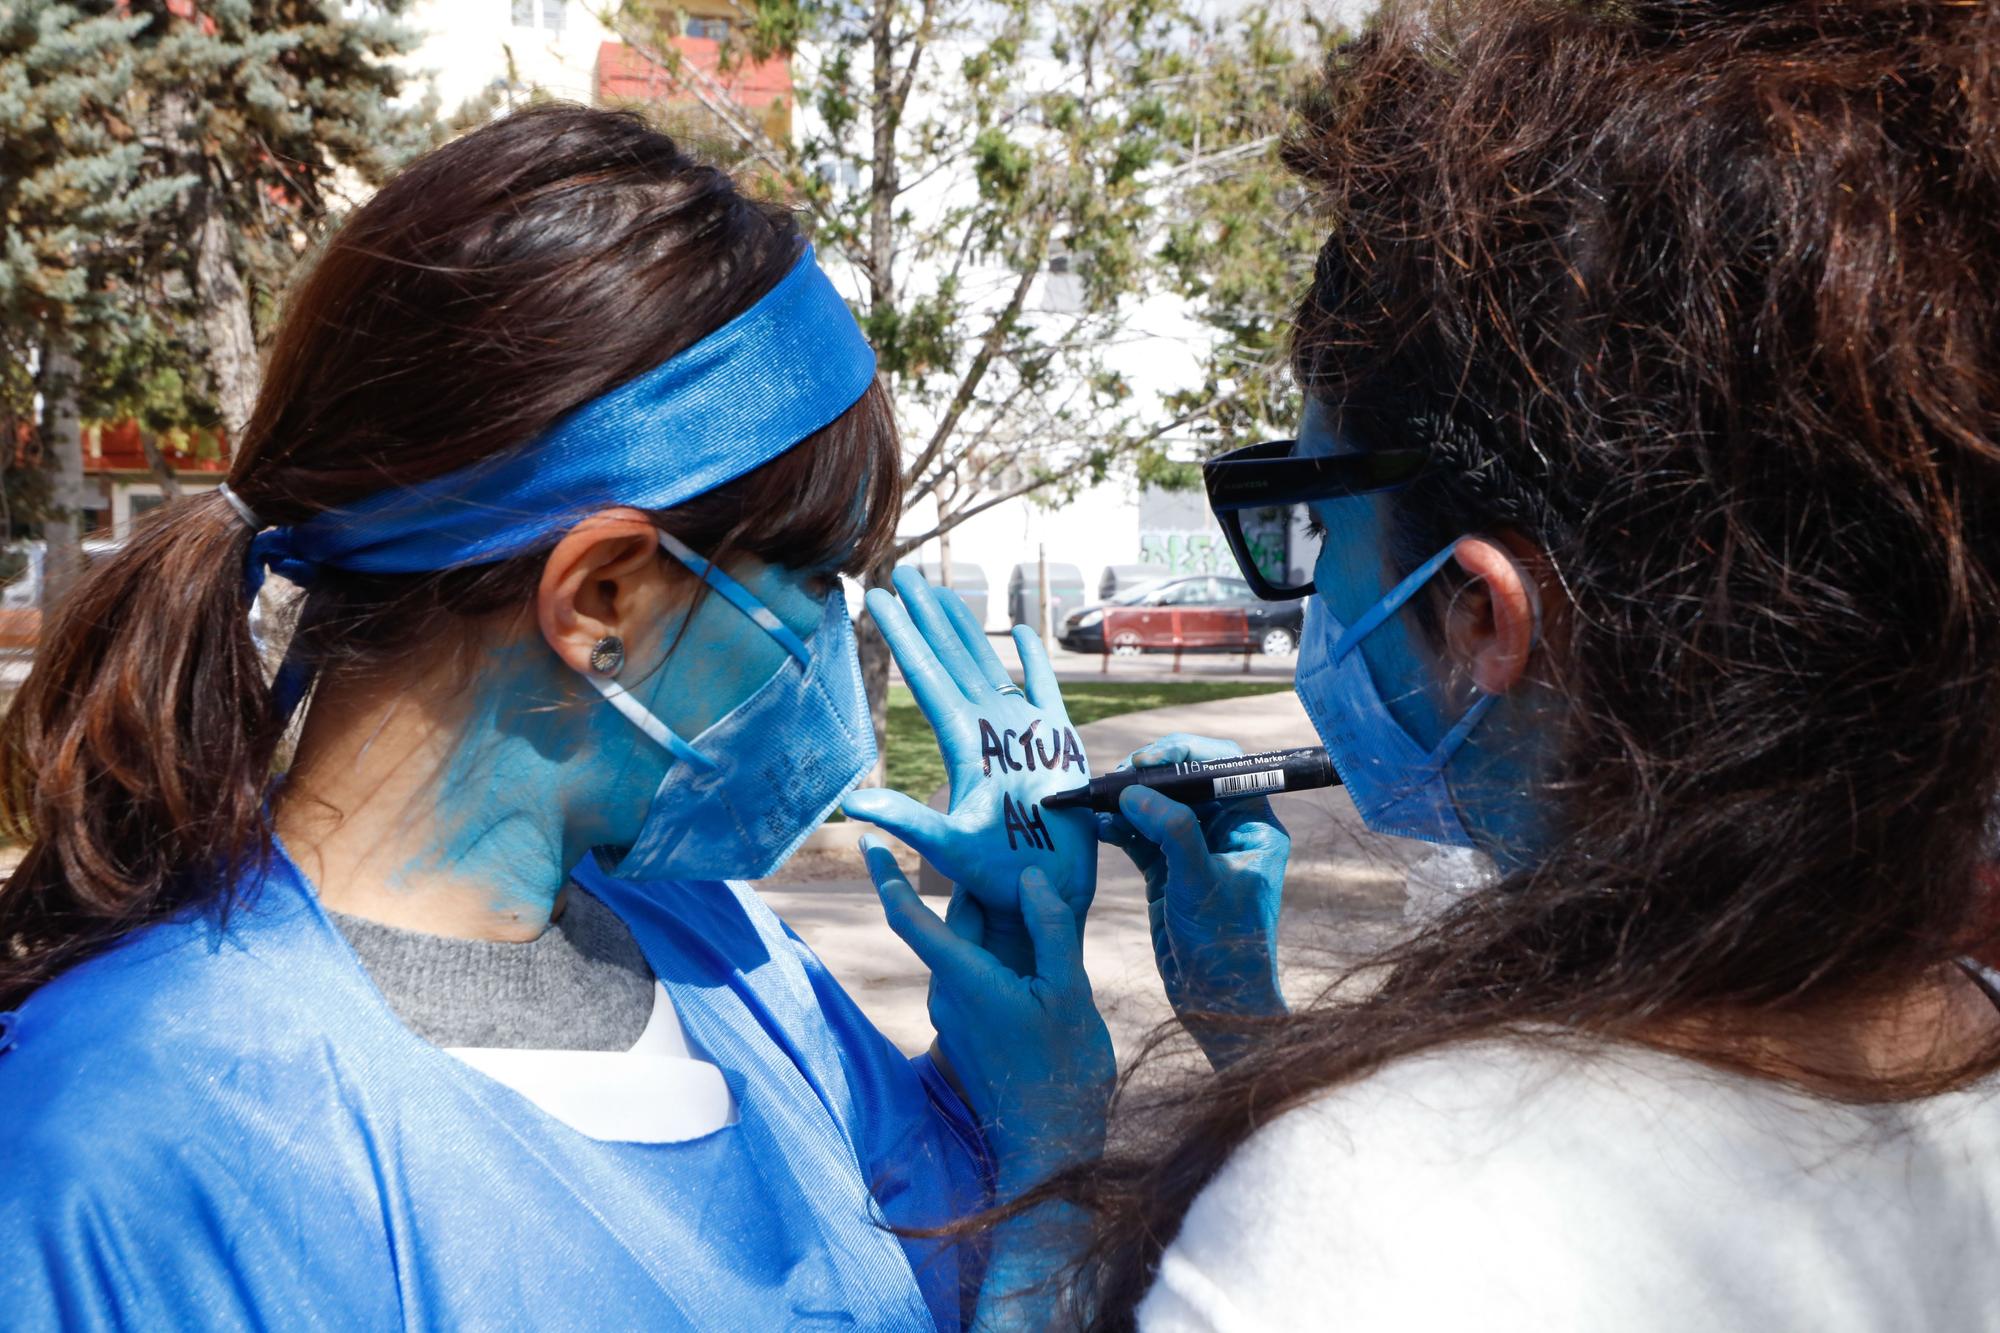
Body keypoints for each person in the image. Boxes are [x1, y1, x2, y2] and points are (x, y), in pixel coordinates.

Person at [855, 1, 2000, 1328]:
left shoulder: (1380, 1221)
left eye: (1315, 528)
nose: (1302, 599)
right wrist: (1251, 1030)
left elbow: (1428, 1232)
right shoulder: (1958, 1028)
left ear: (1481, 616)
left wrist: (1054, 1146)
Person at [0, 105, 1106, 1330]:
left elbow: (925, 1268)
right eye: (812, 577)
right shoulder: (150, 1138)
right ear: (603, 597)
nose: (832, 640)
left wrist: (1016, 1100)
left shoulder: (713, 948)